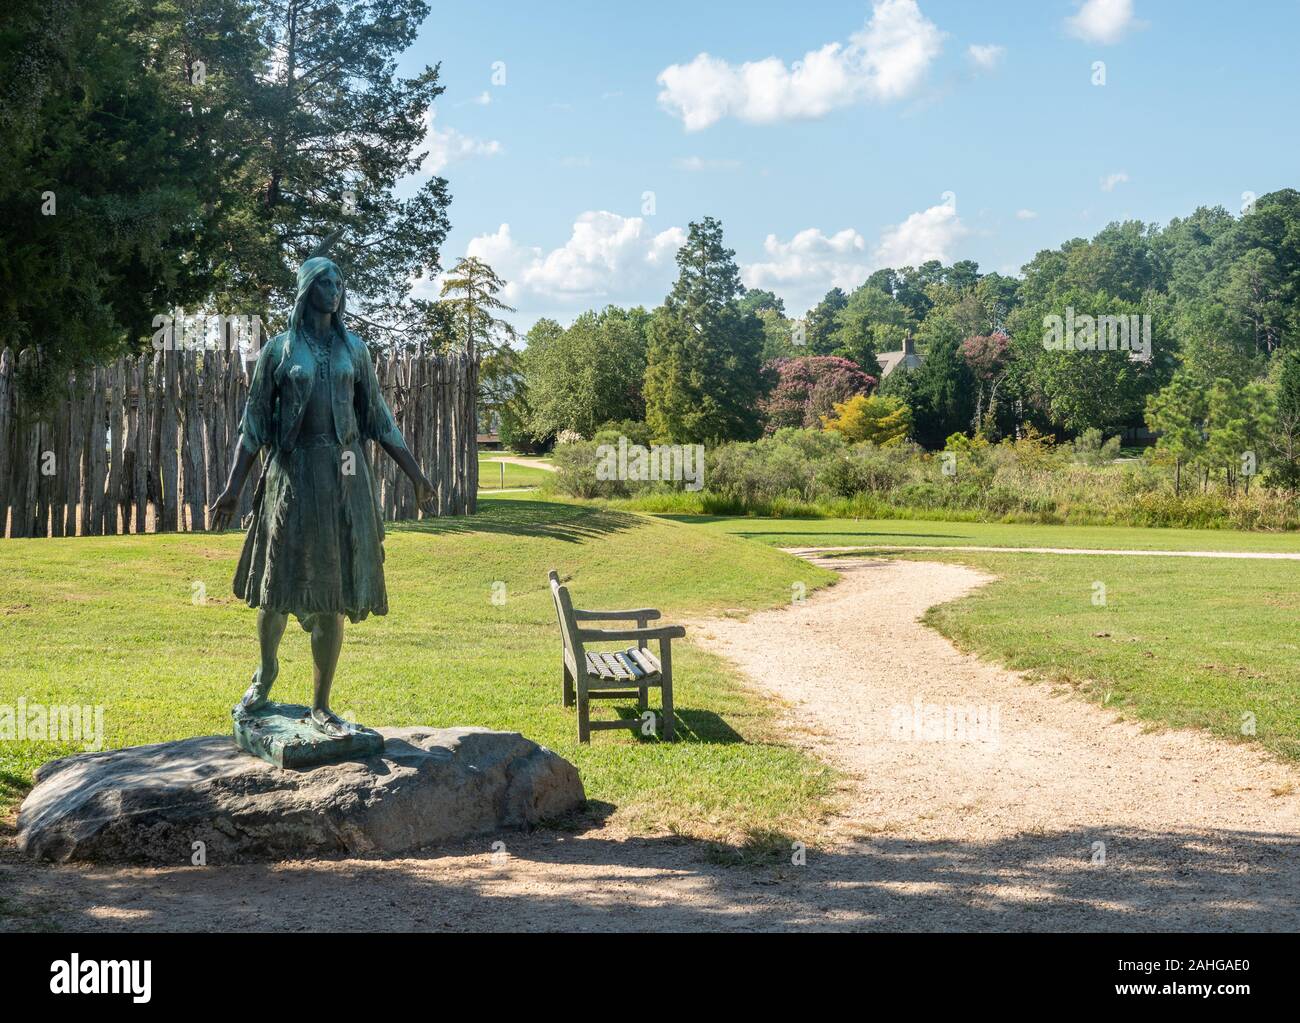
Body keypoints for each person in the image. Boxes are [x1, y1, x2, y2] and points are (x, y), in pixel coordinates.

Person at [209, 256, 436, 737]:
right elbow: (253, 426)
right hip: (291, 479)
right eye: (324, 282)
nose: (333, 289)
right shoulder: (279, 350)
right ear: (306, 289)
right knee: (277, 588)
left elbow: (379, 419)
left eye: (339, 282)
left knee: (332, 593)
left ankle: (321, 706)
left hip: (344, 481)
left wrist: (416, 475)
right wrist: (233, 486)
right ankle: (266, 672)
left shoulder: (356, 350)